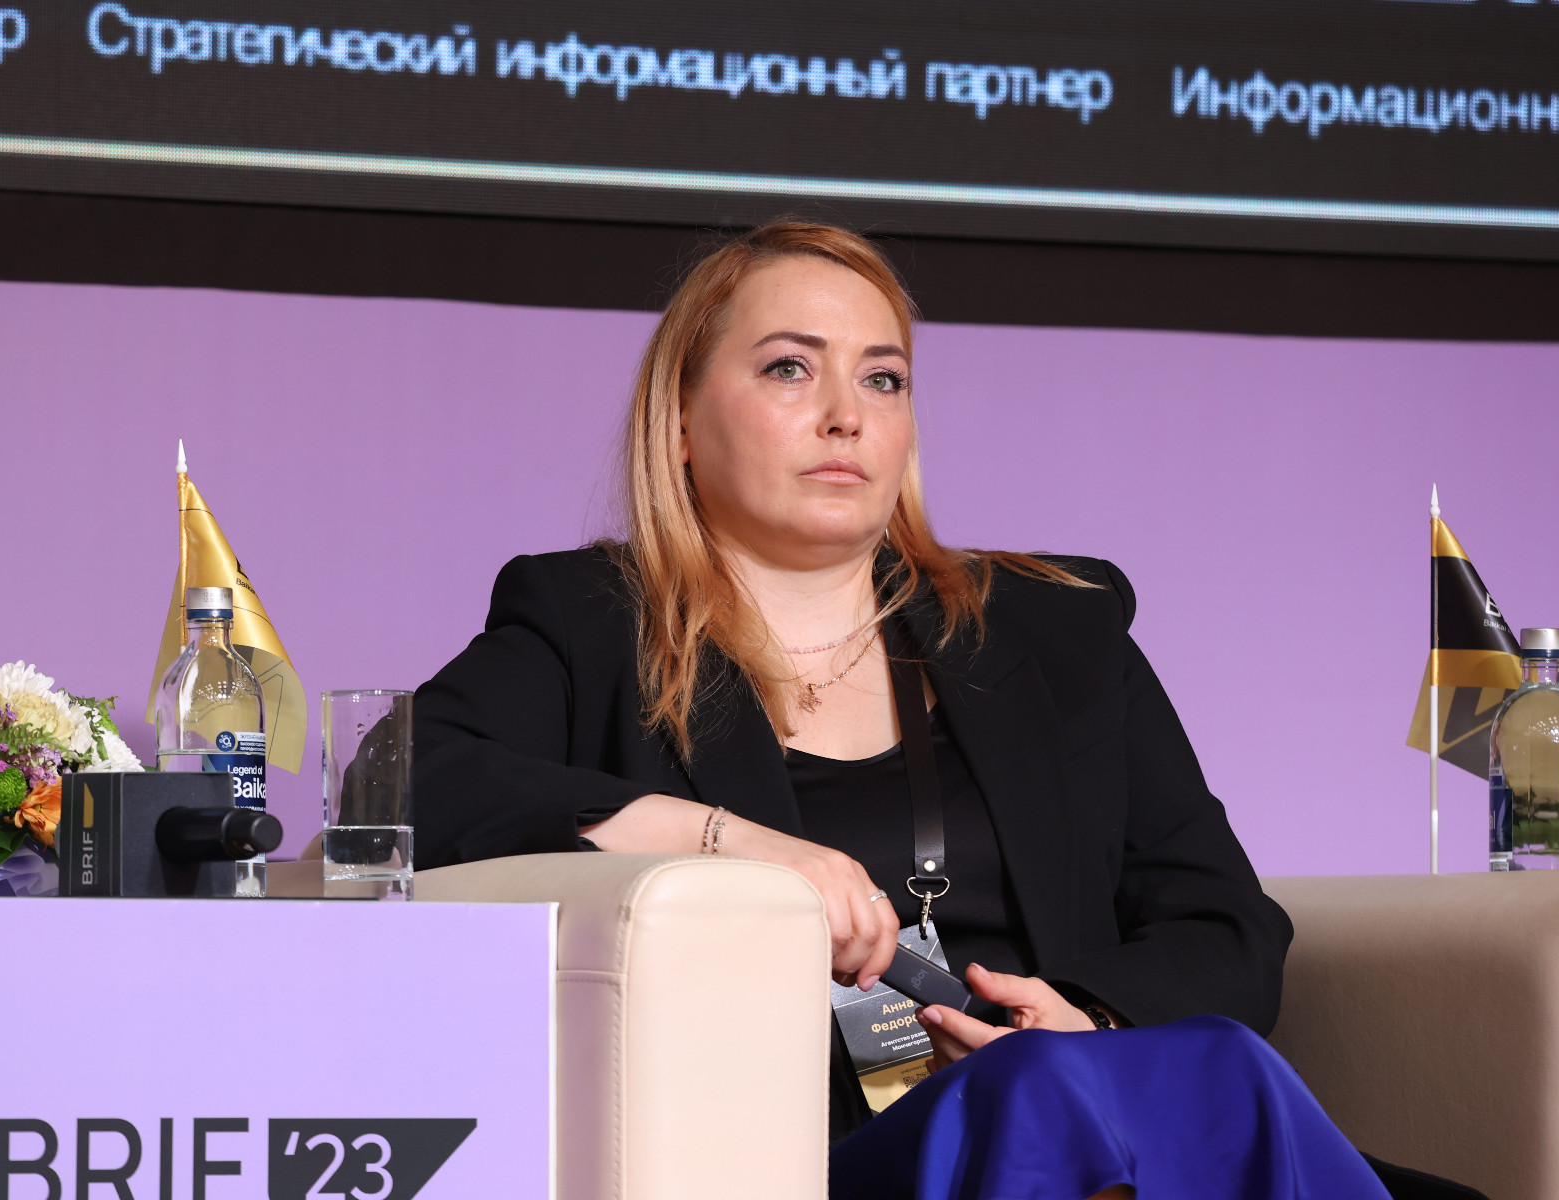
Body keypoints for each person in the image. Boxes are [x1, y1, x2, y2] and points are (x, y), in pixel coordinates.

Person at [412, 222, 1472, 1200]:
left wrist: (1086, 1018)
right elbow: (402, 781)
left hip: (1101, 1114)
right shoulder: (593, 624)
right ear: (681, 419)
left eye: (884, 378)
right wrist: (728, 844)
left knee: (1191, 1067)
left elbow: (1228, 929)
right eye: (790, 368)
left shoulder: (1056, 629)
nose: (846, 414)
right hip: (828, 1155)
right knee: (1052, 1097)